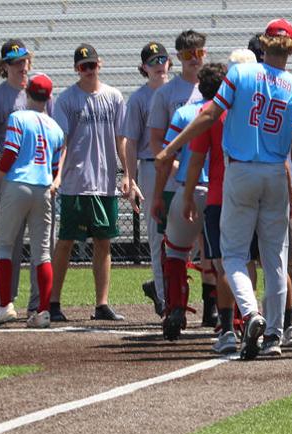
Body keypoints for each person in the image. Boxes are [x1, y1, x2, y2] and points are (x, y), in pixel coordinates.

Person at [157, 19, 292, 360]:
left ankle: (250, 313)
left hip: (240, 171)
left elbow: (209, 115)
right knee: (275, 258)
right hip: (276, 172)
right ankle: (274, 334)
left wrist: (171, 148)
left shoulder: (241, 74)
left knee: (234, 256)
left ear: (264, 42)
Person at [49, 43, 138, 322]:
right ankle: (53, 302)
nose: (89, 70)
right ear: (77, 69)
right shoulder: (67, 100)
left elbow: (121, 139)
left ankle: (102, 303)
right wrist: (58, 175)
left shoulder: (113, 97)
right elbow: (62, 142)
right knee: (65, 241)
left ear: (100, 64)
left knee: (103, 241)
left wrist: (128, 174)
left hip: (104, 182)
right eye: (83, 66)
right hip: (75, 182)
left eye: (92, 65)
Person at [0, 73, 65, 329]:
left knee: (4, 247)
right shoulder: (55, 127)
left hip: (17, 185)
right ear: (49, 97)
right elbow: (54, 167)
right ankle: (43, 311)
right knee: (42, 253)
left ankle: (4, 305)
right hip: (43, 189)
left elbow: (10, 155)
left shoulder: (18, 118)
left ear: (27, 92)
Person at [147, 30, 218, 328]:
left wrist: (158, 194)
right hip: (215, 187)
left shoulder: (187, 112)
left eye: (198, 53)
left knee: (177, 249)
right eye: (188, 54)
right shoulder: (227, 110)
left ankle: (180, 305)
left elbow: (164, 153)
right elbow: (156, 142)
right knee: (224, 253)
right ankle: (232, 315)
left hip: (190, 186)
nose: (194, 59)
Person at [174, 62, 238, 353]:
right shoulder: (242, 110)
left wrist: (182, 194)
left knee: (180, 251)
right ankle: (258, 319)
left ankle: (178, 309)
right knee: (250, 261)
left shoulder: (197, 113)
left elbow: (186, 157)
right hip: (244, 193)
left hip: (211, 191)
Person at [123, 41, 171, 318]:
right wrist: (131, 178)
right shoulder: (139, 98)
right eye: (152, 61)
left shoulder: (180, 90)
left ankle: (169, 288)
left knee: (191, 232)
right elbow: (130, 141)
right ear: (144, 67)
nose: (158, 65)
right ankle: (164, 297)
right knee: (157, 234)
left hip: (181, 165)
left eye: (161, 59)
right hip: (152, 165)